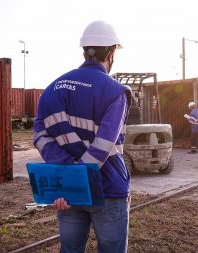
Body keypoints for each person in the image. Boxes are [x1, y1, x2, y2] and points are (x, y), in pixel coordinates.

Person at [33, 20, 131, 253]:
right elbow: (104, 144)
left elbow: (39, 135)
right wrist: (80, 176)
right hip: (109, 189)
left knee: (70, 249)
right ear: (111, 51)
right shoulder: (116, 91)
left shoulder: (52, 89)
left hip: (68, 191)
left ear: (84, 51)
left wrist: (68, 175)